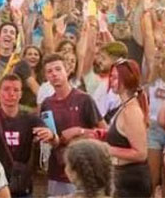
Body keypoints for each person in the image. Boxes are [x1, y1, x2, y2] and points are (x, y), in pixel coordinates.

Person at [40, 53, 105, 196]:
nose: (54, 74)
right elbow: (54, 140)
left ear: (67, 70)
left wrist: (79, 131)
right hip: (57, 170)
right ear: (46, 77)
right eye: (49, 71)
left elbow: (104, 132)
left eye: (58, 69)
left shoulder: (84, 99)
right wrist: (50, 138)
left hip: (83, 171)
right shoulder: (47, 104)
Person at [0, 74, 54, 197]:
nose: (11, 94)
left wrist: (51, 135)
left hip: (21, 185)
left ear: (21, 94)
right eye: (6, 89)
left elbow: (52, 137)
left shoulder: (30, 118)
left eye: (15, 90)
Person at [103, 58, 151, 197]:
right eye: (111, 76)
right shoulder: (124, 106)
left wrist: (107, 149)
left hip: (132, 181)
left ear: (127, 80)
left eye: (116, 77)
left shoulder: (131, 111)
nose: (111, 81)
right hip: (122, 177)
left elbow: (141, 153)